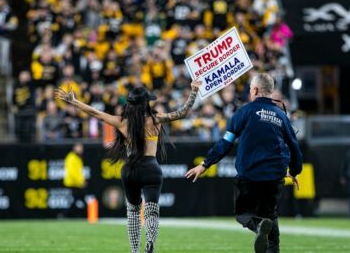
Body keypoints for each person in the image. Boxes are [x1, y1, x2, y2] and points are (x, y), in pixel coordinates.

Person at [55, 80, 201, 253]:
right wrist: (194, 91)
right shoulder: (155, 120)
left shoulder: (122, 122)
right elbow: (183, 112)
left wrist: (74, 101)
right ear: (146, 103)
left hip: (131, 169)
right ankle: (150, 243)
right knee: (152, 210)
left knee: (133, 212)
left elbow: (96, 113)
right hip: (151, 168)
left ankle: (134, 250)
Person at [186, 73, 302, 253]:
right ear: (270, 92)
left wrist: (205, 164)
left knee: (243, 214)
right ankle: (267, 233)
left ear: (255, 90)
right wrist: (294, 171)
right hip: (274, 177)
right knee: (271, 218)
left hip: (250, 176)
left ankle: (258, 226)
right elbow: (294, 147)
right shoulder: (282, 116)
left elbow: (225, 142)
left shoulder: (244, 112)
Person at [62, 143, 86, 217]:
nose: (81, 149)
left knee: (76, 199)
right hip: (72, 183)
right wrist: (80, 181)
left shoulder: (77, 158)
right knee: (75, 200)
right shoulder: (71, 158)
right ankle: (65, 214)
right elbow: (72, 172)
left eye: (81, 148)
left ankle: (67, 214)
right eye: (79, 147)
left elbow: (79, 172)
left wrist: (81, 180)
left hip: (76, 183)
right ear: (74, 148)